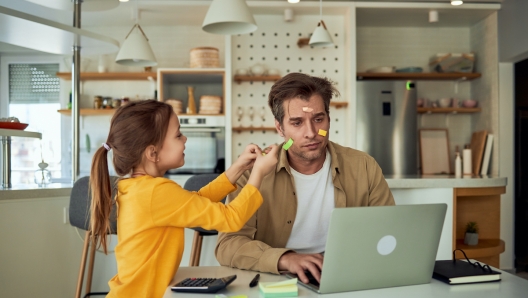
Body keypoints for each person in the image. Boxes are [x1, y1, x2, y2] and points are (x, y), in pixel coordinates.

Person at [215, 73, 395, 284]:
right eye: (297, 123)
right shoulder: (253, 173)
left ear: (328, 119)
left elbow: (388, 231)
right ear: (280, 128)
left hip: (345, 277)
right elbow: (228, 244)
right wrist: (285, 259)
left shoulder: (364, 166)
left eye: (318, 119)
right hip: (275, 279)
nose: (311, 133)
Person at [89, 100, 278, 298]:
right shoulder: (157, 192)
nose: (185, 138)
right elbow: (231, 218)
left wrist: (239, 167)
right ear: (153, 153)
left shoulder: (136, 188)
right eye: (178, 135)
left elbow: (193, 201)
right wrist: (258, 173)